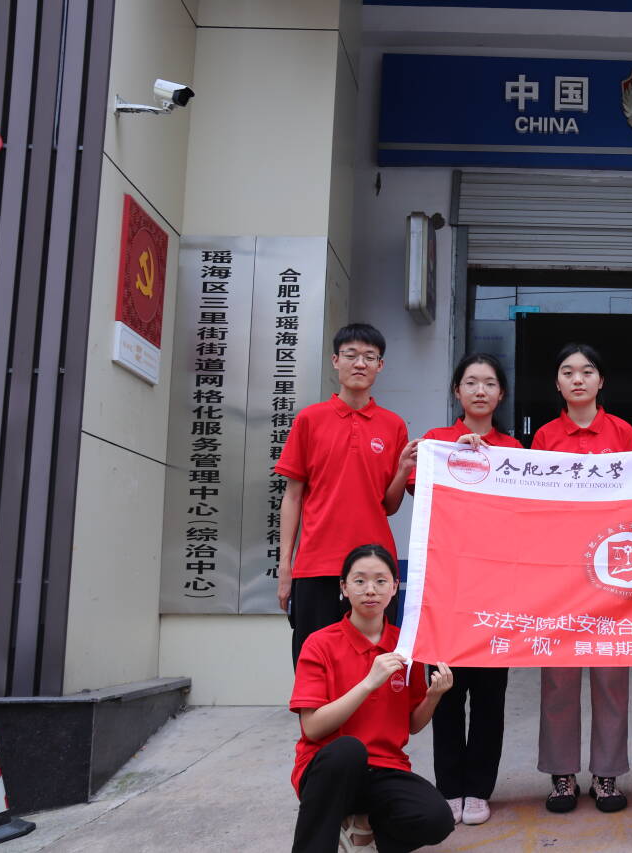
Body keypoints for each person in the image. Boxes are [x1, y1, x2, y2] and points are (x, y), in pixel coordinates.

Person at [405, 353, 522, 827]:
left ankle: (479, 789)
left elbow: (524, 513)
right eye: (470, 382)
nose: (479, 391)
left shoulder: (514, 449)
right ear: (457, 391)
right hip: (444, 590)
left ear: (501, 394)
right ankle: (449, 787)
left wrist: (489, 458)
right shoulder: (436, 442)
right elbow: (418, 492)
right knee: (446, 692)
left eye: (489, 383)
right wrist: (456, 456)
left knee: (490, 698)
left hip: (495, 590)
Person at [289, 543, 456, 853]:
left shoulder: (405, 645)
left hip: (384, 767)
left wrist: (433, 697)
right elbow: (312, 728)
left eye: (381, 581)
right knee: (349, 749)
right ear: (344, 587)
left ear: (394, 587)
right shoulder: (319, 644)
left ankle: (365, 837)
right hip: (329, 770)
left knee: (437, 819)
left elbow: (413, 724)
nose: (370, 590)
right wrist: (368, 683)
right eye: (360, 580)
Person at [531, 342, 632, 813]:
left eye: (587, 371)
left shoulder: (623, 432)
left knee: (611, 675)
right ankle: (562, 775)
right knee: (559, 677)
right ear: (557, 383)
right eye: (568, 372)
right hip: (560, 574)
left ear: (601, 380)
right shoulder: (544, 437)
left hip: (612, 571)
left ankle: (606, 774)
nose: (578, 379)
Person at [275, 323, 413, 666]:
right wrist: (285, 566)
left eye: (370, 356)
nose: (360, 363)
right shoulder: (309, 420)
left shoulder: (393, 425)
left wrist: (402, 471)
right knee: (314, 665)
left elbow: (389, 506)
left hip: (375, 569)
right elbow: (292, 497)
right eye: (351, 355)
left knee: (374, 666)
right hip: (316, 566)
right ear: (336, 361)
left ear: (380, 365)